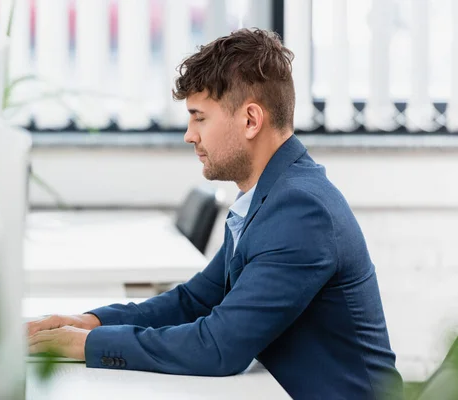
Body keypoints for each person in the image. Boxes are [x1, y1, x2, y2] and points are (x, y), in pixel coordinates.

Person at [27, 28, 404, 399]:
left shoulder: (301, 211)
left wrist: (82, 345)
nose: (190, 135)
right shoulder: (267, 197)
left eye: (200, 117)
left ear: (251, 120)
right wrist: (88, 322)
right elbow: (195, 302)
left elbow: (219, 347)